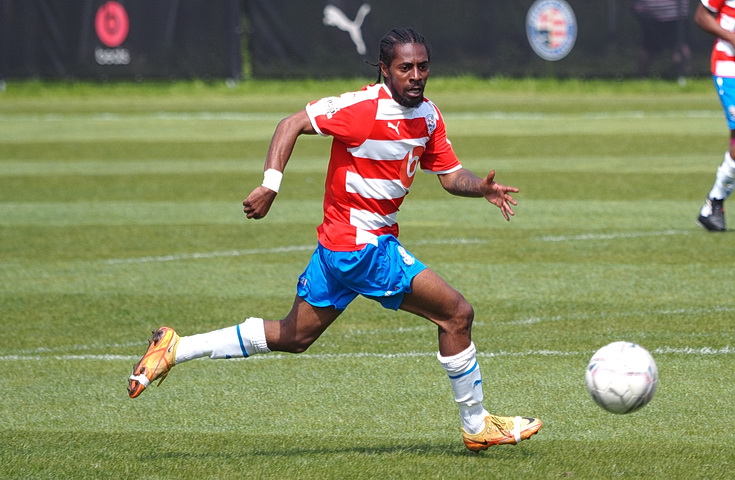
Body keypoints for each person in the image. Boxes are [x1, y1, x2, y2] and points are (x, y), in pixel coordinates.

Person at [127, 27, 542, 451]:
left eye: (422, 66)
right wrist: (270, 184)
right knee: (456, 314)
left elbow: (451, 175)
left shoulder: (429, 115)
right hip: (363, 248)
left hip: (338, 248)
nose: (416, 75)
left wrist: (482, 189)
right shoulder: (359, 107)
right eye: (405, 68)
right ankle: (477, 426)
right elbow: (291, 123)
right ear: (385, 70)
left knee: (294, 337)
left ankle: (177, 348)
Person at [694, 1, 735, 231]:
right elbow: (701, 16)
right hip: (730, 68)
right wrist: (730, 36)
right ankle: (716, 200)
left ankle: (714, 203)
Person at [629, 0, 692, 80]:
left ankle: (683, 74)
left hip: (675, 14)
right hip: (658, 15)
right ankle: (684, 74)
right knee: (648, 47)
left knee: (679, 45)